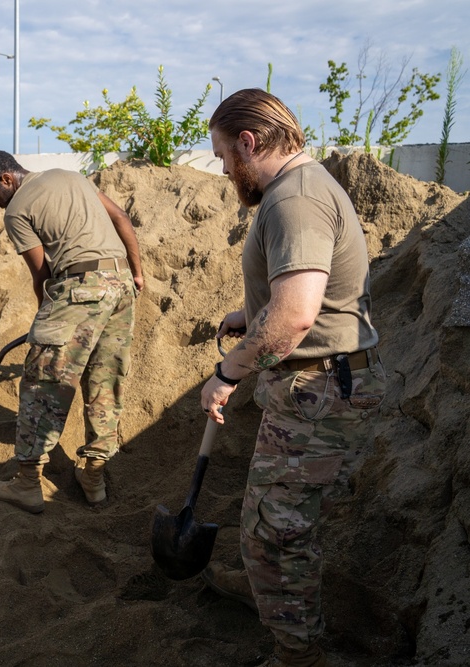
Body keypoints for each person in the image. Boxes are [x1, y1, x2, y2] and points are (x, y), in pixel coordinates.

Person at [199, 89, 386, 667]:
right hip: (315, 388)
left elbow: (299, 314)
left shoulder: (293, 200)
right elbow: (300, 296)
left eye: (224, 155)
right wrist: (249, 316)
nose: (226, 168)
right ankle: (271, 591)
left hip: (318, 390)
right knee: (275, 521)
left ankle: (298, 654)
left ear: (249, 143)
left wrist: (226, 374)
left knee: (275, 532)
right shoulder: (302, 188)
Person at [0, 150, 144, 513]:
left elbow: (42, 275)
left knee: (42, 380)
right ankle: (94, 476)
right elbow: (121, 218)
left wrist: (45, 319)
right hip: (122, 285)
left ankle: (27, 483)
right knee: (104, 379)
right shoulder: (72, 176)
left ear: (6, 179)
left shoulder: (18, 210)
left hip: (79, 287)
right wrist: (136, 272)